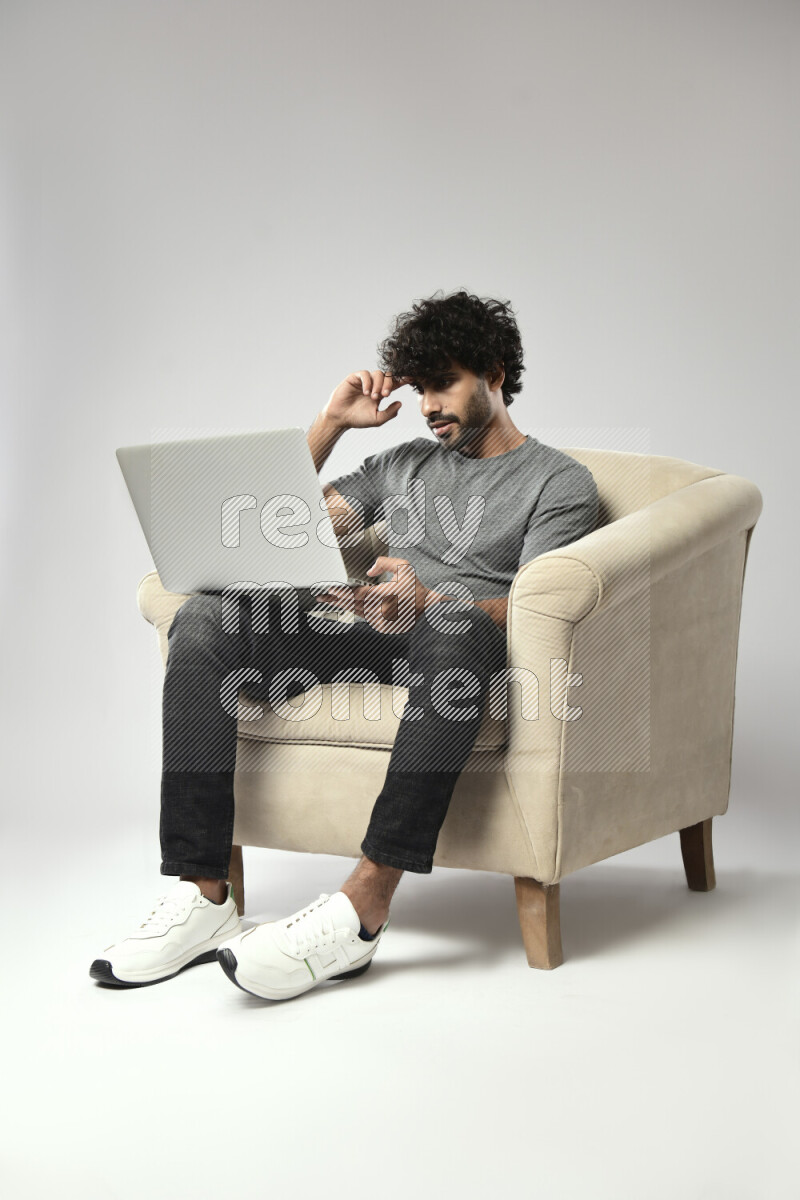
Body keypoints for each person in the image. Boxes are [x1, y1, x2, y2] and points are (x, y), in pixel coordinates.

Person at [90, 288, 599, 1001]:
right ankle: (203, 895)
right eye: (420, 390)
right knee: (205, 620)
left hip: (459, 640)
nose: (429, 406)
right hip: (367, 627)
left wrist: (430, 602)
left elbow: (537, 605)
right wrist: (331, 424)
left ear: (493, 373)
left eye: (445, 384)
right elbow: (273, 526)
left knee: (455, 627)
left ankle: (363, 908)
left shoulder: (559, 482)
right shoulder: (401, 465)